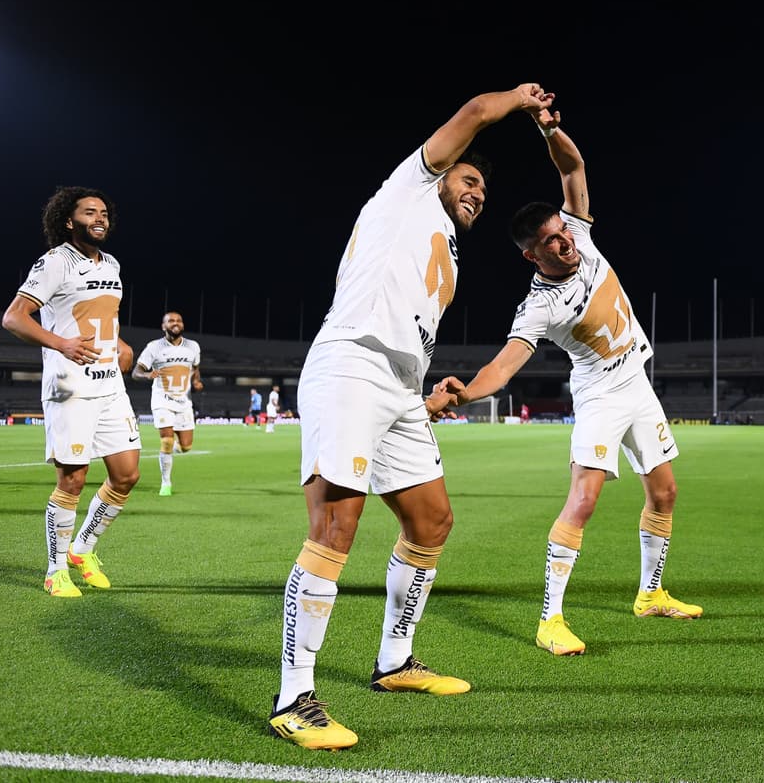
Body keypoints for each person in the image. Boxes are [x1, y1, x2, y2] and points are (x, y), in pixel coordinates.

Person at [268, 83, 555, 751]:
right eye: (470, 177)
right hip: (351, 365)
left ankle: (395, 661)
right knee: (337, 520)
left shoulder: (449, 246)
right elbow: (476, 114)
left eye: (484, 188)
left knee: (431, 518)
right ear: (442, 168)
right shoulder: (406, 190)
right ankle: (293, 696)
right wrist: (517, 100)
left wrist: (420, 392)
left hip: (400, 386)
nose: (478, 191)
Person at [435, 106, 701, 660]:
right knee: (583, 500)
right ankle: (550, 619)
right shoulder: (539, 306)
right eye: (552, 243)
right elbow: (505, 365)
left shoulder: (577, 231)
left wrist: (548, 128)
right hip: (602, 395)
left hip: (637, 382)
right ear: (531, 255)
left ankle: (650, 593)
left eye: (563, 233)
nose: (566, 243)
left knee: (666, 491)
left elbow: (573, 169)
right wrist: (467, 391)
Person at [1, 186, 141, 598]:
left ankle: (83, 550)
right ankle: (55, 570)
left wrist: (122, 343)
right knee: (73, 480)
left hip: (110, 385)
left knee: (127, 475)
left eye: (104, 213)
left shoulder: (112, 263)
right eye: (89, 212)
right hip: (69, 388)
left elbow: (102, 317)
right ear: (68, 220)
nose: (100, 218)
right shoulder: (56, 262)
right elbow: (14, 318)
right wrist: (61, 343)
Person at [132, 311, 203, 496]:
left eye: (179, 320)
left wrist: (196, 382)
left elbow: (195, 368)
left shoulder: (193, 347)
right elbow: (135, 372)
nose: (175, 323)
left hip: (184, 402)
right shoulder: (154, 347)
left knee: (186, 446)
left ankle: (172, 453)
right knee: (167, 441)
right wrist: (147, 374)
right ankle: (166, 483)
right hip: (162, 400)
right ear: (164, 326)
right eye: (171, 321)